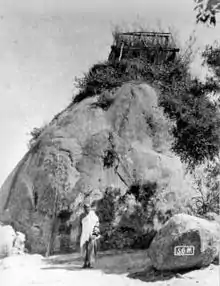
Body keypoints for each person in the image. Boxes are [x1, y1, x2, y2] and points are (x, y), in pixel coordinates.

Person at [79, 202, 100, 268]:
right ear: (83, 208)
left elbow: (97, 223)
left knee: (90, 249)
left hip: (92, 234)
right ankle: (86, 263)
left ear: (90, 208)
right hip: (85, 234)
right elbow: (81, 225)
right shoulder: (82, 215)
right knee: (85, 249)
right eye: (85, 207)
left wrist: (95, 234)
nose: (86, 209)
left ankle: (88, 263)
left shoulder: (93, 215)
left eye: (88, 207)